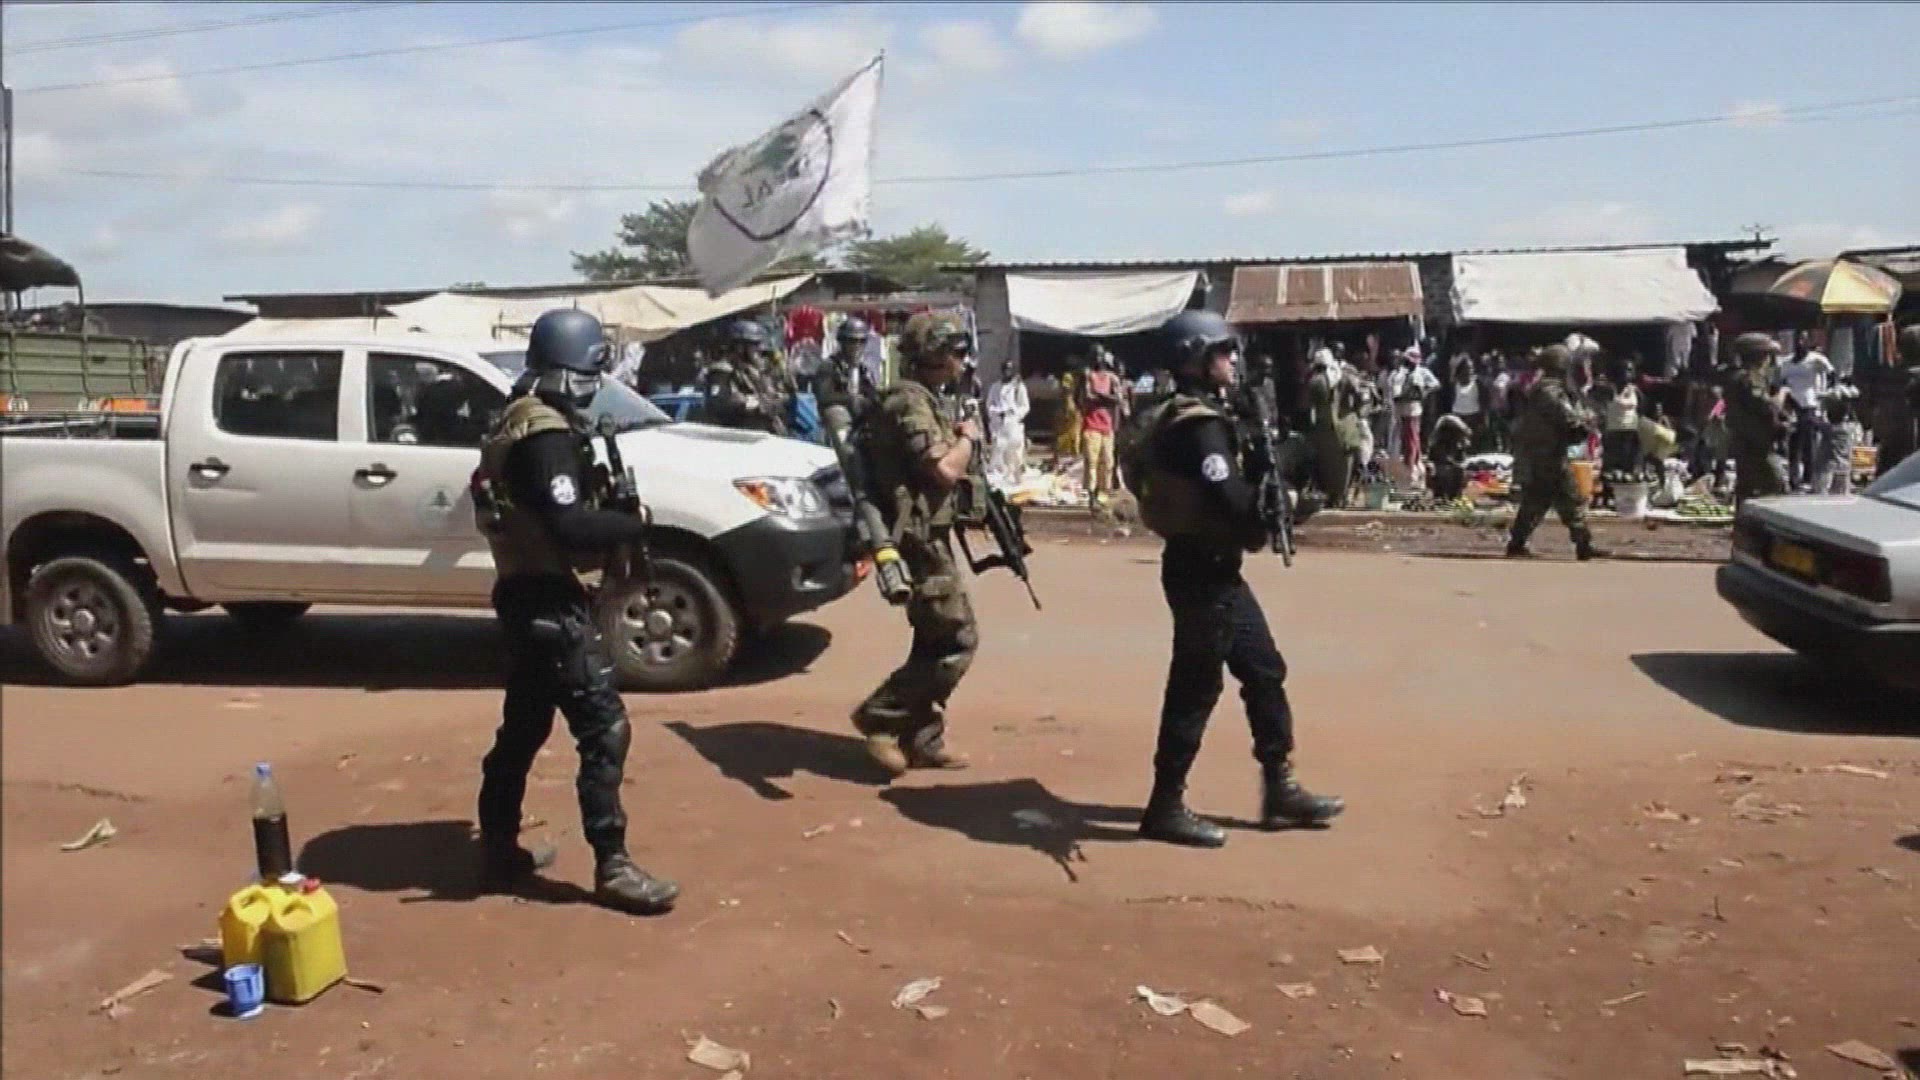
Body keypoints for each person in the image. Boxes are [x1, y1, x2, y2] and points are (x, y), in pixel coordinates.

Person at [471, 308, 679, 915]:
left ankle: (499, 848)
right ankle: (613, 866)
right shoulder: (546, 438)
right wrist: (631, 523)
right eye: (591, 372)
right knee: (604, 727)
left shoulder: (517, 419)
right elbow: (569, 526)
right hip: (550, 603)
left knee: (524, 728)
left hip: (525, 596)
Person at [1126, 310, 1344, 848]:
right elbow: (1234, 502)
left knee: (1264, 669)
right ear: (1195, 360)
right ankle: (1165, 806)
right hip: (1201, 571)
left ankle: (1280, 786)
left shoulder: (1211, 416)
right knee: (1195, 687)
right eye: (1221, 351)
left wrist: (1274, 461)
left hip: (1218, 569)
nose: (1232, 359)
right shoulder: (1198, 427)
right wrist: (1285, 499)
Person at [850, 312, 983, 777]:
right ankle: (881, 716)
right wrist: (967, 439)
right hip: (916, 538)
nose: (962, 361)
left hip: (928, 533)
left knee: (933, 635)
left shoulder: (925, 398)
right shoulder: (908, 402)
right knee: (957, 637)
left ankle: (923, 737)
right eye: (956, 351)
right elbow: (943, 470)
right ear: (933, 354)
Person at [1506, 344, 1609, 560]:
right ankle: (1583, 544)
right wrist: (1588, 420)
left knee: (1536, 501)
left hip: (1544, 454)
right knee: (1570, 499)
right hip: (1548, 455)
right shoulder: (1549, 391)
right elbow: (1566, 418)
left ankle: (1517, 543)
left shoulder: (1546, 389)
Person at [1723, 332, 1789, 506]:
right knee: (1774, 484)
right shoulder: (1750, 378)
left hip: (1744, 440)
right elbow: (1767, 406)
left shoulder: (1734, 376)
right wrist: (1782, 394)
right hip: (1756, 444)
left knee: (1746, 487)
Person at [701, 319, 787, 434]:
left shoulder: (754, 371)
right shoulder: (722, 371)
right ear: (740, 347)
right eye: (754, 345)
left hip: (764, 432)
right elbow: (719, 404)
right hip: (735, 434)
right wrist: (750, 404)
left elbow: (776, 396)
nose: (759, 349)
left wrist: (775, 400)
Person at [1776, 338, 1836, 490]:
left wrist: (1826, 392)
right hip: (1790, 405)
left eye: (1804, 341)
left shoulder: (1816, 359)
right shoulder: (1787, 362)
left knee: (1808, 442)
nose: (1800, 344)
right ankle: (1793, 478)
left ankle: (1808, 477)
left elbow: (1831, 373)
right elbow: (1780, 381)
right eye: (1798, 341)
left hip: (1808, 404)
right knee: (1793, 442)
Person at [1081, 347, 1124, 506]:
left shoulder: (1112, 378)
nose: (1098, 360)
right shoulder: (1088, 376)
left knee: (1107, 462)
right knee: (1091, 461)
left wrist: (1100, 396)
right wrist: (1106, 398)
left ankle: (1103, 493)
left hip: (1107, 425)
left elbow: (1118, 399)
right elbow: (1087, 397)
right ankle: (1092, 495)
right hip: (1091, 424)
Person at [986, 360, 1031, 485]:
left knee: (1015, 452)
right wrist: (997, 412)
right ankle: (1000, 479)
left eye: (1009, 369)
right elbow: (990, 404)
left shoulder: (1018, 387)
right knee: (998, 451)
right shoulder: (995, 387)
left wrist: (1015, 414)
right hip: (999, 424)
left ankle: (1016, 478)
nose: (1007, 372)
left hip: (1013, 423)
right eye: (1005, 369)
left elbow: (1025, 406)